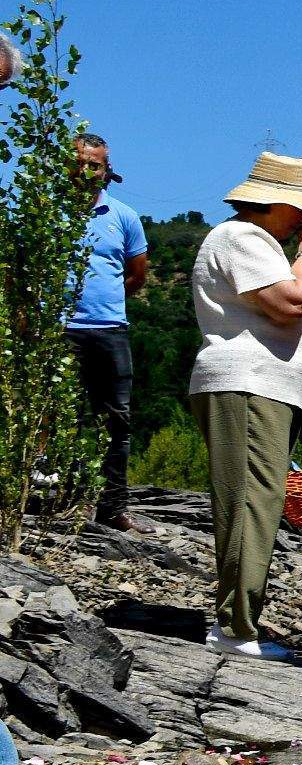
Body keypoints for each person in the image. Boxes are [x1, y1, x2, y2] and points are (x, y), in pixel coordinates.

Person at [186, 154, 302, 657]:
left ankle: (239, 621)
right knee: (251, 501)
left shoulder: (252, 241)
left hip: (262, 387)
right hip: (250, 384)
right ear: (277, 202)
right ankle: (234, 628)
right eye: (300, 210)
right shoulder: (240, 237)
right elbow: (291, 303)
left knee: (257, 499)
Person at [65, 133, 149, 531]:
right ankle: (61, 500)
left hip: (110, 330)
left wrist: (104, 304)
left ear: (106, 169)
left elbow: (137, 275)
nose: (86, 171)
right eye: (79, 163)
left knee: (117, 420)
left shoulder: (124, 217)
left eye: (94, 165)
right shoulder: (48, 212)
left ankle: (112, 507)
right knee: (61, 417)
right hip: (59, 331)